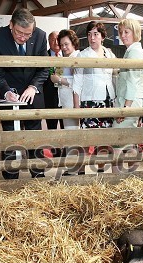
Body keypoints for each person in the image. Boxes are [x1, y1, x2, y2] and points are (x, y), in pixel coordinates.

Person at [0, 8, 49, 179]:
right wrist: (6, 92)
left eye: (28, 34)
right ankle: (10, 176)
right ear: (10, 25)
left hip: (32, 94)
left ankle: (38, 174)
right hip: (9, 94)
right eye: (19, 33)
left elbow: (44, 68)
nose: (23, 38)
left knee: (34, 136)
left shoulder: (40, 36)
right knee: (9, 135)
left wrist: (33, 87)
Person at [72, 21, 116, 174]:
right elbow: (76, 83)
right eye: (89, 34)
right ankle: (81, 170)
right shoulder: (82, 55)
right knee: (86, 138)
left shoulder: (109, 54)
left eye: (96, 34)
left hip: (108, 101)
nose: (92, 38)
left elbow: (114, 76)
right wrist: (76, 109)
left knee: (104, 139)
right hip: (89, 102)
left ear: (103, 36)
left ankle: (101, 170)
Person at [113, 18, 143, 173]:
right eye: (121, 32)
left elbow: (133, 82)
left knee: (117, 143)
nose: (123, 35)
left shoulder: (134, 52)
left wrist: (125, 108)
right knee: (128, 142)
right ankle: (130, 178)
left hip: (128, 102)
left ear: (135, 33)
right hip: (131, 101)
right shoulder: (133, 51)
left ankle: (116, 181)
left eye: (126, 32)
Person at [48, 29, 82, 176]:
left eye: (66, 44)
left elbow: (77, 82)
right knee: (70, 134)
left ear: (73, 43)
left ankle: (75, 169)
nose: (64, 47)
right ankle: (75, 168)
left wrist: (59, 80)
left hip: (72, 101)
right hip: (65, 100)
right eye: (61, 44)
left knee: (73, 135)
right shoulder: (64, 58)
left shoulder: (76, 57)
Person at [43, 31, 64, 159]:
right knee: (51, 124)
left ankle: (66, 148)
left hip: (64, 95)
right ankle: (55, 150)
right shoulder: (43, 56)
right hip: (49, 95)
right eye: (52, 40)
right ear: (48, 41)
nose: (55, 42)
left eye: (58, 39)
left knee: (65, 123)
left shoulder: (67, 55)